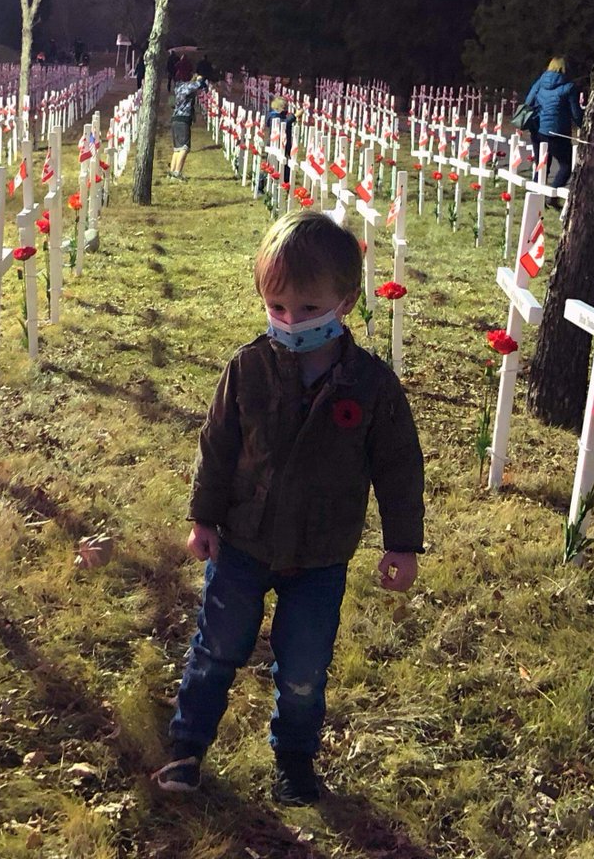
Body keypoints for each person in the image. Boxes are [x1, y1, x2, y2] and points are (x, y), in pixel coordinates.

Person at [153, 212, 425, 804]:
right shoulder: (248, 368)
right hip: (243, 542)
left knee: (303, 668)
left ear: (345, 301)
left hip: (321, 555)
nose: (290, 321)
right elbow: (217, 446)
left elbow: (399, 467)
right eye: (277, 307)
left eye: (307, 309)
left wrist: (401, 544)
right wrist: (203, 516)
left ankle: (295, 760)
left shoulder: (370, 385)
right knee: (216, 647)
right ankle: (187, 747)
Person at [524, 56, 583, 190]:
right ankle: (553, 193)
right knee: (566, 165)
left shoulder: (540, 82)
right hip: (557, 132)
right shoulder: (569, 87)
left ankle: (533, 197)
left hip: (538, 130)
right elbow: (576, 114)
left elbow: (528, 102)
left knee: (542, 165)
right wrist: (584, 127)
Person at [167, 56, 208, 180]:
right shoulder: (186, 87)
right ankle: (177, 173)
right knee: (185, 147)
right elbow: (199, 85)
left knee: (177, 148)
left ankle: (172, 173)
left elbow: (198, 87)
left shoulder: (178, 86)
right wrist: (200, 78)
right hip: (183, 119)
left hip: (176, 119)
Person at [257, 95, 295, 193]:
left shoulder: (279, 115)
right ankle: (260, 186)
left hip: (285, 145)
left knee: (286, 166)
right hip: (275, 143)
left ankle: (285, 185)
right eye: (285, 106)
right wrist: (293, 117)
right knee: (270, 166)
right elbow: (283, 123)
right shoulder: (274, 116)